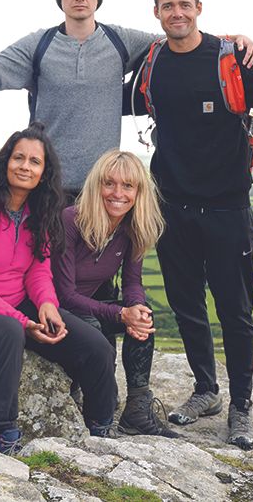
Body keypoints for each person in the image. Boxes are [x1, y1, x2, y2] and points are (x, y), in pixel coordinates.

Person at [125, 0, 253, 450]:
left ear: (198, 9)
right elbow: (113, 100)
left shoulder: (230, 58)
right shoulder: (151, 63)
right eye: (167, 6)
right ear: (156, 13)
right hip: (171, 205)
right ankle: (206, 391)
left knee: (235, 313)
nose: (177, 13)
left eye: (184, 5)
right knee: (187, 305)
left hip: (226, 207)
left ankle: (241, 408)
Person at [0, 0, 253, 198]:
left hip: (102, 190)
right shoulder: (39, 45)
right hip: (46, 185)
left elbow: (180, 39)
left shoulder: (120, 41)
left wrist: (230, 41)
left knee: (95, 280)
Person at [0, 124, 118, 454]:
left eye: (34, 161)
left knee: (97, 347)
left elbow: (39, 270)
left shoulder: (40, 215)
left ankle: (100, 429)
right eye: (18, 157)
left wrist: (47, 305)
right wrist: (24, 323)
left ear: (43, 172)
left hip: (18, 309)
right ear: (5, 162)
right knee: (8, 330)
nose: (25, 166)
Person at [52, 150, 179, 438]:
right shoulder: (71, 220)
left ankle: (136, 409)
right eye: (109, 183)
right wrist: (120, 313)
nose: (117, 193)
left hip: (87, 307)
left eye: (128, 186)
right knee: (95, 328)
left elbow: (133, 282)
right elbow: (64, 294)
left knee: (144, 317)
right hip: (55, 309)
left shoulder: (132, 226)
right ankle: (95, 413)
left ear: (138, 191)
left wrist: (135, 310)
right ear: (97, 185)